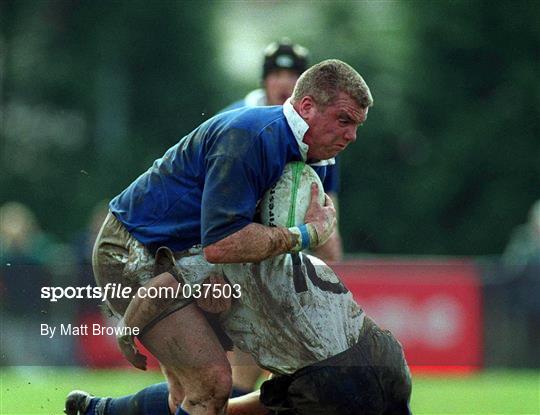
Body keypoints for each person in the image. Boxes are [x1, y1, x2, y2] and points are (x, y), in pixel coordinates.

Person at [69, 59, 372, 415]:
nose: (351, 135)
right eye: (344, 120)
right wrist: (302, 234)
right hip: (133, 250)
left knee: (191, 392)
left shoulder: (305, 152)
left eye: (356, 125)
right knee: (211, 384)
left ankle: (96, 411)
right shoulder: (252, 137)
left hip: (179, 255)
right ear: (306, 107)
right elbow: (222, 244)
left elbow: (314, 247)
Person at [65, 168, 411, 415]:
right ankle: (101, 410)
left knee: (207, 396)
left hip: (325, 380)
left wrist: (126, 334)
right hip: (383, 355)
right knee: (224, 400)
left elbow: (157, 292)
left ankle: (104, 410)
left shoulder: (228, 252)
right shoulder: (297, 253)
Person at [221, 39, 343, 263]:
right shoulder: (235, 124)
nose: (285, 83)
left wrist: (329, 251)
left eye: (293, 75)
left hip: (291, 254)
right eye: (276, 74)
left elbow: (329, 211)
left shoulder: (318, 136)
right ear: (264, 81)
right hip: (233, 248)